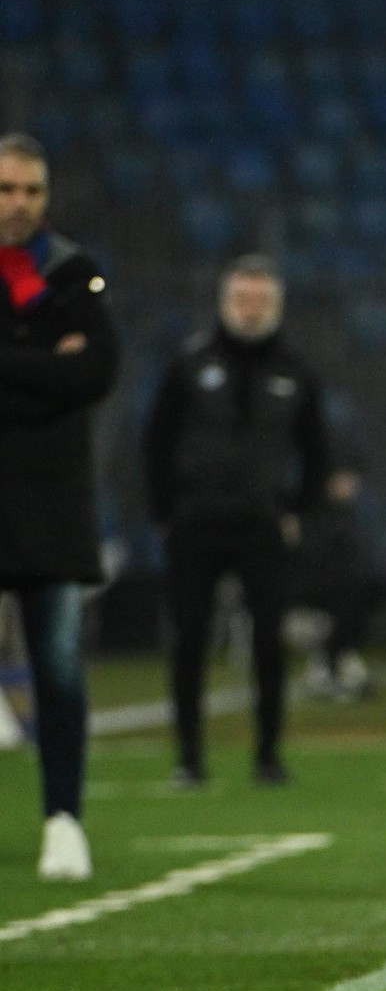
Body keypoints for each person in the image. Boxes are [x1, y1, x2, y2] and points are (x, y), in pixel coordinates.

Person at [143, 255, 329, 787]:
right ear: (225, 303)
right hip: (195, 522)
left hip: (261, 525)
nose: (250, 310)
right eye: (242, 299)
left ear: (277, 306)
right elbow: (155, 440)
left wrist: (296, 511)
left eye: (261, 301)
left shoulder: (296, 370)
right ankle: (188, 758)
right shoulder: (189, 363)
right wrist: (163, 513)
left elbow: (316, 450)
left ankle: (268, 756)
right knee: (189, 640)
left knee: (269, 642)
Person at [0, 133, 119, 879]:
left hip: (51, 501)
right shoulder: (65, 288)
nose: (19, 204)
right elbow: (68, 375)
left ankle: (65, 819)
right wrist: (50, 364)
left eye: (31, 191)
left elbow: (97, 374)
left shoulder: (74, 271)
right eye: (7, 189)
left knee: (59, 667)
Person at [293, 469, 386, 703]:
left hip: (328, 605)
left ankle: (335, 661)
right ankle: (327, 666)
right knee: (350, 597)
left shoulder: (348, 517)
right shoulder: (309, 515)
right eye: (342, 478)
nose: (349, 485)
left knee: (369, 588)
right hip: (297, 609)